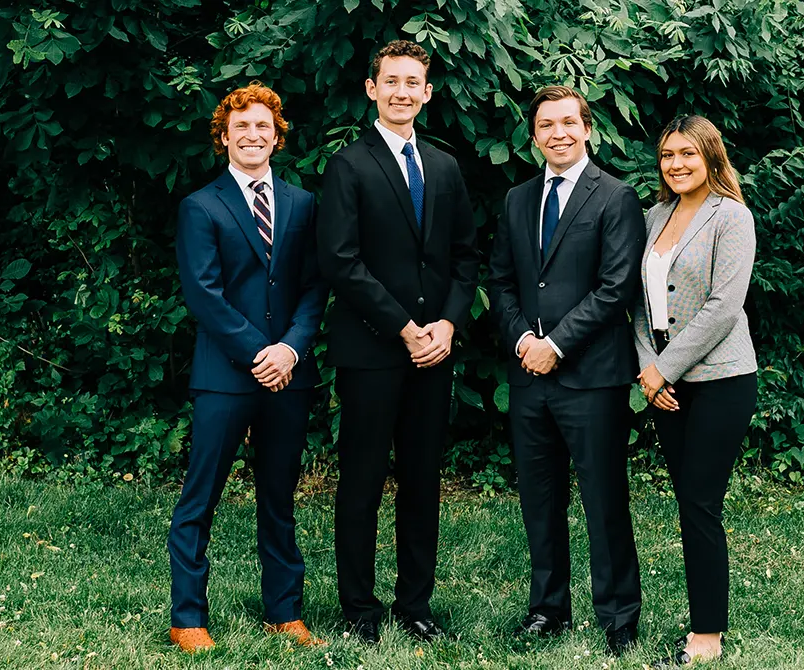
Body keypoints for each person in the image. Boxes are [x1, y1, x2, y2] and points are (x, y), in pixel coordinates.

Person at [316, 39, 479, 643]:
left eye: (414, 82)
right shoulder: (348, 166)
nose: (402, 92)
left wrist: (447, 325)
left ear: (427, 92)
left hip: (433, 352)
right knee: (360, 482)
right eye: (392, 81)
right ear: (371, 89)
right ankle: (359, 607)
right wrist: (405, 328)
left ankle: (415, 605)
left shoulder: (444, 166)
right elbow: (340, 261)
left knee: (421, 481)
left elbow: (465, 258)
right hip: (371, 351)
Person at [167, 82, 327, 653]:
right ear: (225, 138)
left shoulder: (304, 204)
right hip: (225, 376)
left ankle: (284, 612)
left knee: (279, 496)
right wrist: (260, 352)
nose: (253, 135)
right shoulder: (201, 206)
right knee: (200, 496)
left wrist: (289, 350)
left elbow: (313, 288)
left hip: (288, 373)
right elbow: (204, 295)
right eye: (242, 128)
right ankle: (188, 617)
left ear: (277, 136)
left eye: (263, 126)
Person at [487, 85, 645, 655]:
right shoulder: (517, 199)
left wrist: (556, 343)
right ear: (534, 137)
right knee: (540, 499)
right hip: (530, 376)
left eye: (568, 123)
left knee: (604, 499)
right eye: (546, 125)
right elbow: (502, 281)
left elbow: (615, 288)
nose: (558, 133)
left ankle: (619, 616)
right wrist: (525, 339)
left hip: (592, 378)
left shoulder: (616, 198)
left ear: (587, 129)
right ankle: (547, 609)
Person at [630, 115, 759, 667]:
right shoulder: (652, 215)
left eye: (687, 153)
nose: (676, 164)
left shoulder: (732, 217)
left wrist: (667, 369)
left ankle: (707, 635)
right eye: (666, 156)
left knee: (700, 502)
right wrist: (648, 369)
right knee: (689, 503)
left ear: (710, 155)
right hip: (663, 382)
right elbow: (635, 303)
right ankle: (703, 615)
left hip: (721, 380)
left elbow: (724, 307)